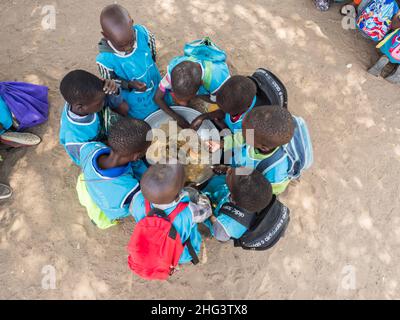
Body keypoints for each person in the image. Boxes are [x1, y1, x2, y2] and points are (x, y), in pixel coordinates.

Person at [209, 106, 313, 195]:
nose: (242, 134)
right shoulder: (255, 135)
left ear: (263, 147)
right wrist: (221, 144)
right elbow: (240, 138)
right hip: (240, 164)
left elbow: (266, 191)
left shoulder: (275, 171)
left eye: (245, 134)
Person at [130, 163, 212, 265]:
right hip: (180, 253)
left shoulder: (138, 199)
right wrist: (199, 195)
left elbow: (132, 211)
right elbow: (207, 210)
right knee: (193, 194)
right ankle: (179, 259)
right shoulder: (187, 211)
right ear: (179, 195)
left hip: (152, 246)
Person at [78, 118, 151, 226]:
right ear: (137, 156)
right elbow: (143, 208)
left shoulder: (91, 148)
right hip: (112, 205)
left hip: (89, 183)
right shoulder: (129, 188)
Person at [96, 4, 161, 120]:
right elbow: (110, 83)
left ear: (131, 23)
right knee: (144, 117)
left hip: (153, 79)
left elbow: (152, 53)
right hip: (133, 96)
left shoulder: (143, 33)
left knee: (162, 99)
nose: (128, 48)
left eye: (131, 41)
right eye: (121, 45)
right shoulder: (105, 60)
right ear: (106, 36)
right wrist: (129, 84)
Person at [154, 38, 231, 128]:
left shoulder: (218, 80)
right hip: (195, 53)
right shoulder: (173, 71)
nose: (184, 104)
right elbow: (157, 98)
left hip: (213, 59)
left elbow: (224, 107)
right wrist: (177, 117)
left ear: (201, 85)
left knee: (216, 102)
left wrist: (202, 117)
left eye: (188, 98)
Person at [59, 69, 128, 165]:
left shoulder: (88, 100)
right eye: (99, 103)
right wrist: (108, 146)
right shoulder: (74, 137)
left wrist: (113, 89)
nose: (104, 102)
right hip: (94, 148)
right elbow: (86, 160)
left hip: (101, 131)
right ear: (80, 108)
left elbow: (111, 101)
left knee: (123, 107)